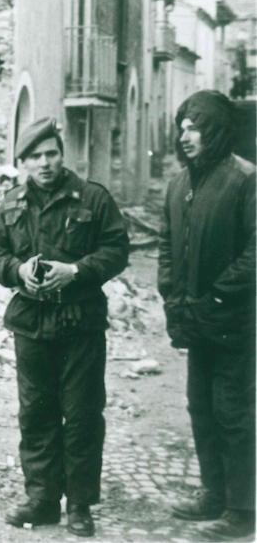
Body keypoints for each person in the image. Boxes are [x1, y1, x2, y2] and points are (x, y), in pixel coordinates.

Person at [0, 117, 129, 537]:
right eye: (35, 157)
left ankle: (80, 502)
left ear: (62, 156)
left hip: (80, 321)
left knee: (82, 413)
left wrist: (78, 270)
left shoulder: (92, 198)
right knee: (36, 413)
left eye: (51, 154)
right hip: (31, 323)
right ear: (23, 162)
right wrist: (17, 270)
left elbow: (117, 249)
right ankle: (42, 498)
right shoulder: (11, 204)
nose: (45, 163)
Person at [158, 90, 255, 541]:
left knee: (234, 412)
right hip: (196, 321)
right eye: (181, 127)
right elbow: (166, 246)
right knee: (201, 408)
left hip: (235, 322)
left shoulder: (245, 179)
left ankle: (243, 509)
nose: (184, 136)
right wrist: (170, 295)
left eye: (193, 127)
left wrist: (217, 297)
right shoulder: (181, 184)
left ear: (214, 130)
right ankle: (213, 493)